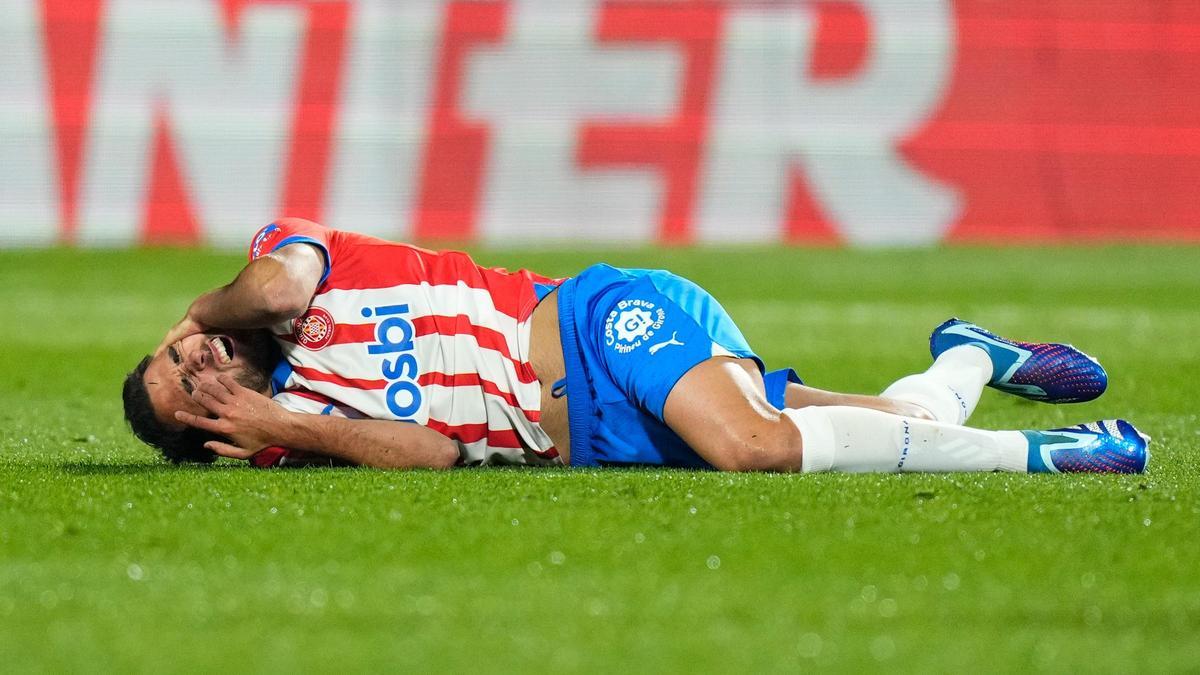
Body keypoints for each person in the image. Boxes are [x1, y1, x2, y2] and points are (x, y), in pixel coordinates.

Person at [122, 218, 1150, 474]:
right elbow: (444, 458)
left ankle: (1056, 457)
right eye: (193, 404)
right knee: (906, 426)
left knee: (751, 448)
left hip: (596, 321)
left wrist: (208, 313)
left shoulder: (289, 271)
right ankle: (965, 356)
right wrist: (279, 425)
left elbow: (274, 283)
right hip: (608, 437)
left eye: (178, 360)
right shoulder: (306, 432)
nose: (201, 374)